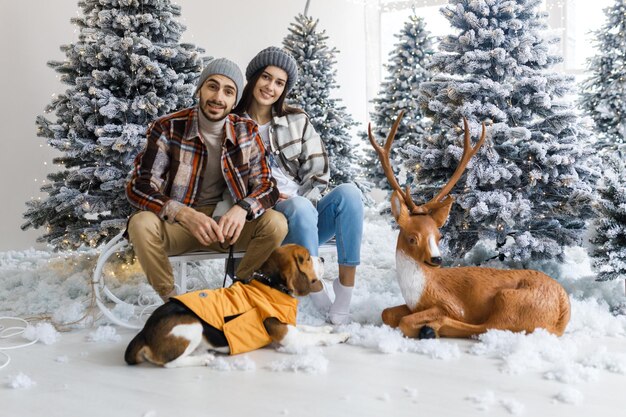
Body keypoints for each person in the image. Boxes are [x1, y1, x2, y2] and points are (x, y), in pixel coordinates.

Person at [126, 58, 287, 302]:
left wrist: (242, 209)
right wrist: (183, 213)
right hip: (179, 226)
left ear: (235, 101)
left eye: (228, 91)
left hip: (225, 229)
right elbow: (140, 187)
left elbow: (267, 186)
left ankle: (239, 293)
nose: (218, 97)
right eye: (212, 86)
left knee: (276, 223)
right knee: (140, 223)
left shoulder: (247, 130)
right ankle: (173, 302)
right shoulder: (167, 127)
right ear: (199, 89)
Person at [233, 47, 364, 325]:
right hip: (269, 220)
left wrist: (308, 203)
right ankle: (315, 288)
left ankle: (344, 290)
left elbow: (318, 172)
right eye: (266, 78)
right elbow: (230, 179)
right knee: (297, 206)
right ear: (254, 77)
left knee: (349, 193)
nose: (271, 87)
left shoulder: (297, 120)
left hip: (306, 215)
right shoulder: (233, 124)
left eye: (279, 82)